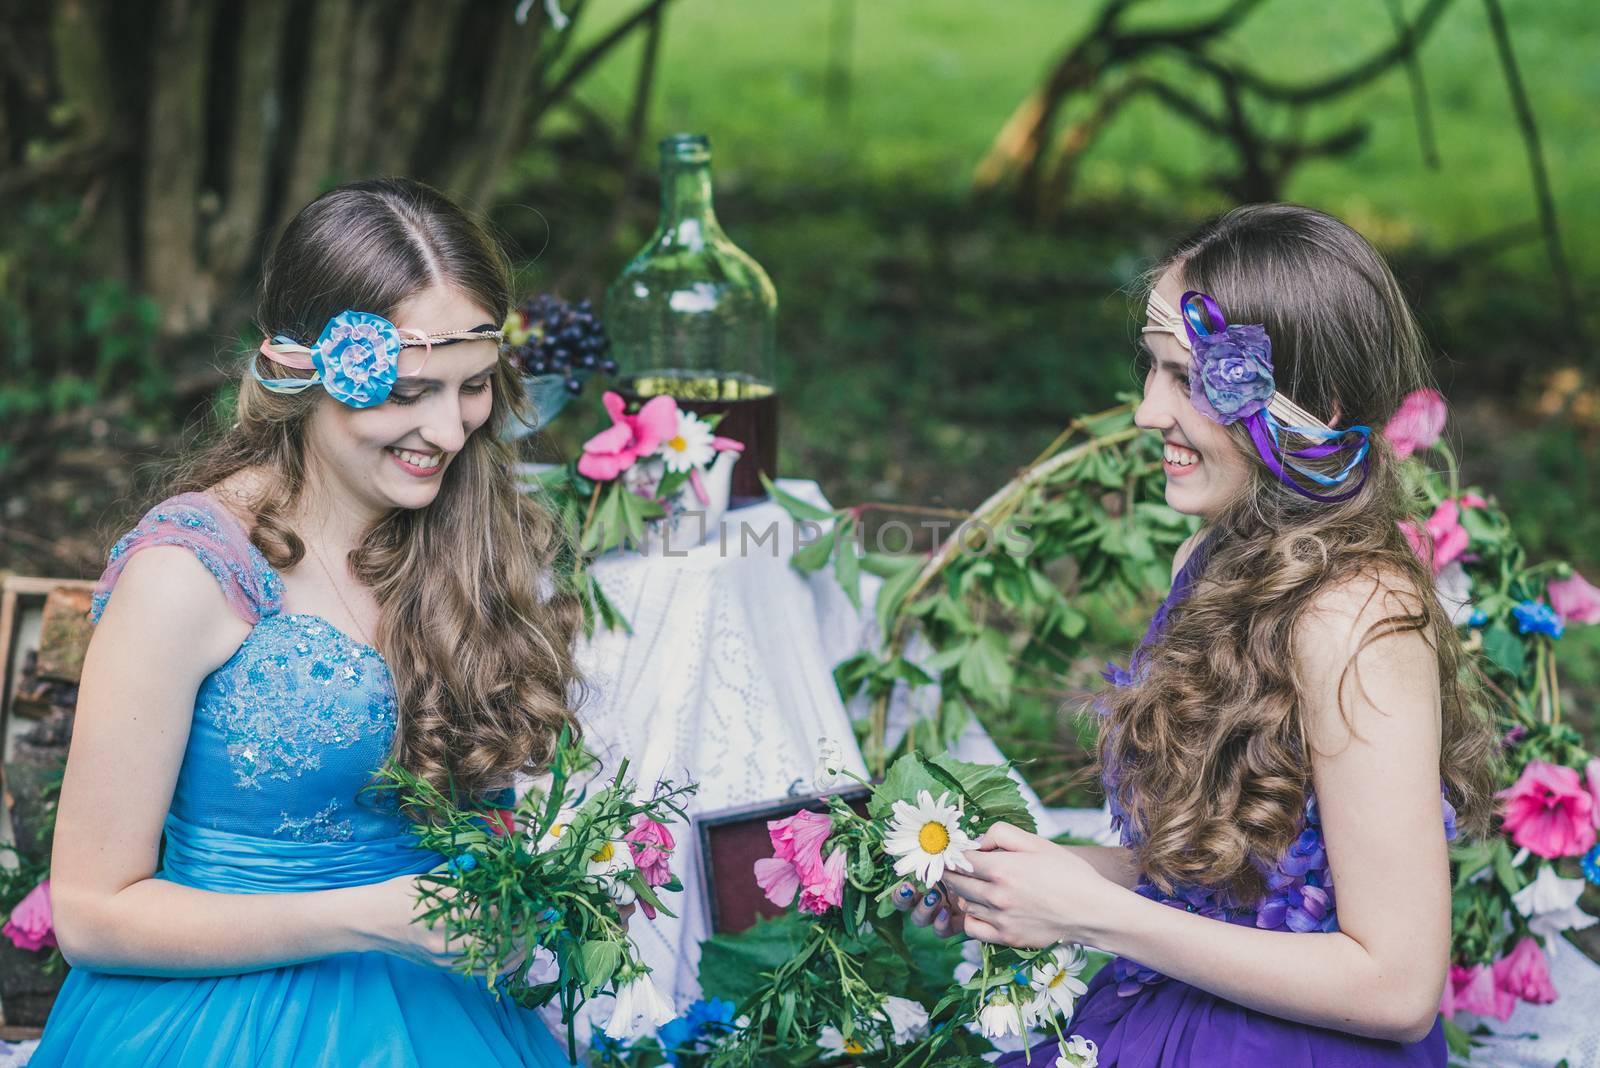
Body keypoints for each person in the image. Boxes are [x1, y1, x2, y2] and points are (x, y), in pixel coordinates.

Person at [897, 204, 1496, 1065]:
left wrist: (1094, 916)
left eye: (1188, 379)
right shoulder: (1216, 556)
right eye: (1153, 369)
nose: (1147, 412)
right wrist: (1023, 878)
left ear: (1312, 406)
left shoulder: (1355, 618)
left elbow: (1398, 987)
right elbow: (1224, 888)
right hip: (1179, 1003)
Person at [32, 178, 588, 1066]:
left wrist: (509, 890)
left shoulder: (465, 535)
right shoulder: (188, 575)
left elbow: (478, 802)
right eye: (407, 392)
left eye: (473, 387)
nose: (448, 431)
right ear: (301, 371)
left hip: (442, 1012)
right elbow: (93, 915)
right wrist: (366, 919)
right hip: (224, 1023)